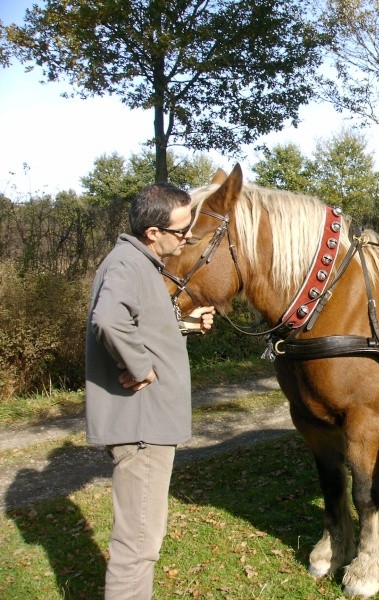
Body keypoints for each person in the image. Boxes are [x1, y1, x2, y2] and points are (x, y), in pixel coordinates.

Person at [85, 182, 215, 600]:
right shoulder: (128, 265)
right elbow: (108, 319)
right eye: (181, 232)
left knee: (142, 540)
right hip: (141, 429)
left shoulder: (140, 263)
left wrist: (187, 325)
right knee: (137, 547)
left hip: (149, 425)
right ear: (152, 232)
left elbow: (141, 322)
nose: (187, 238)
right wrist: (139, 366)